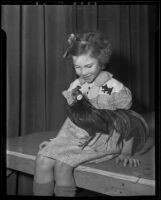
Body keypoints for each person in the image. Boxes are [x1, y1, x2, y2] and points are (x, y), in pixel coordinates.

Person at [33, 32, 149, 197]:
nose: (82, 72)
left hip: (103, 140)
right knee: (42, 160)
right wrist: (59, 140)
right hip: (76, 136)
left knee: (62, 165)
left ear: (101, 63)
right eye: (77, 67)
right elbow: (73, 119)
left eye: (88, 66)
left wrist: (126, 152)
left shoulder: (116, 89)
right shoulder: (75, 86)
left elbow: (127, 121)